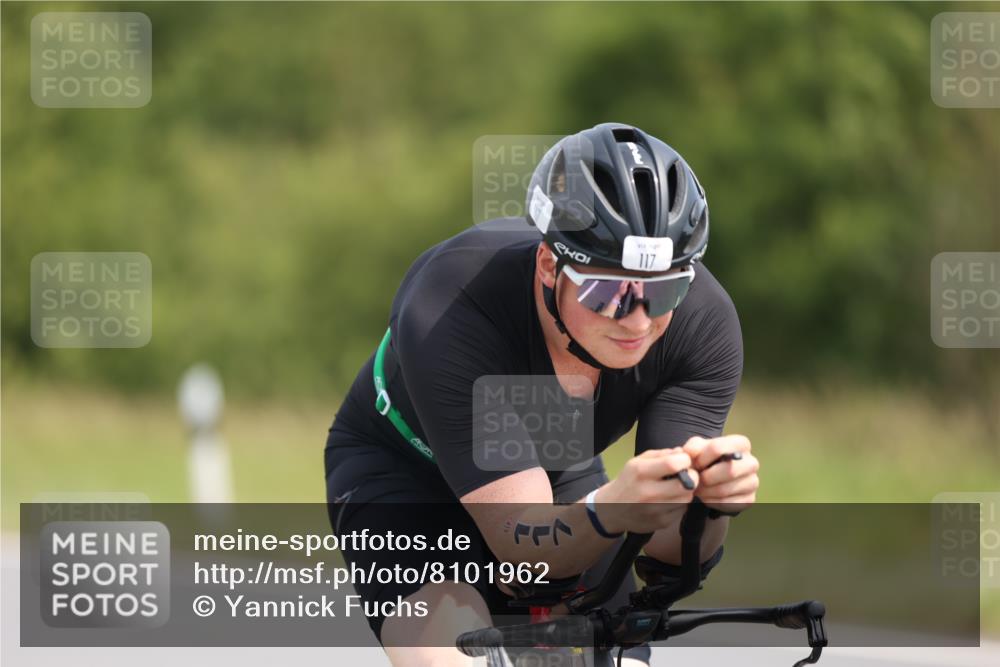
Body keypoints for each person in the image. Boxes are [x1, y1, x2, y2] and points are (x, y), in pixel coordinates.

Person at [324, 122, 759, 667]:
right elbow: (520, 547)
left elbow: (666, 561)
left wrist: (711, 509)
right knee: (455, 653)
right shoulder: (451, 306)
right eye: (608, 290)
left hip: (555, 466)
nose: (639, 319)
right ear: (550, 265)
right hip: (408, 475)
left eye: (663, 288)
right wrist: (609, 510)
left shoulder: (702, 326)